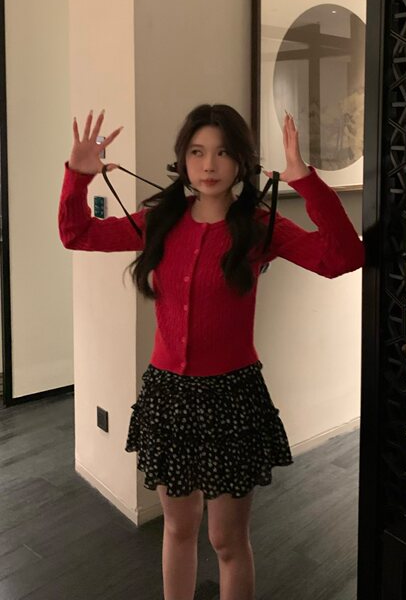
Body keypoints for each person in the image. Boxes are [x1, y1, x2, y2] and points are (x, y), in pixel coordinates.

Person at [58, 104, 364, 600]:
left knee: (226, 539)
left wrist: (304, 180)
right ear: (183, 159)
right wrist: (78, 176)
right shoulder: (159, 222)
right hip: (168, 396)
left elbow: (343, 258)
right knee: (178, 529)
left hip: (232, 398)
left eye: (222, 153)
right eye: (198, 152)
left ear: (241, 161)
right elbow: (76, 234)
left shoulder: (259, 226)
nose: (209, 165)